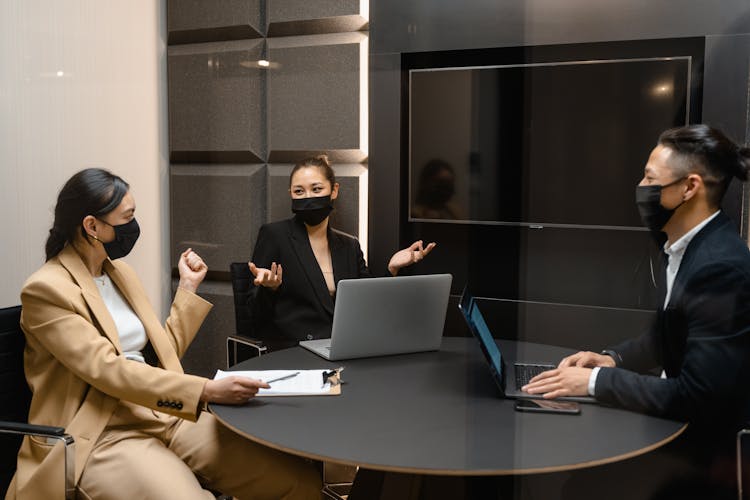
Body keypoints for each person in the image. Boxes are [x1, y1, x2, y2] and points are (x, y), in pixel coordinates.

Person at [7, 168, 321, 500]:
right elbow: (109, 370)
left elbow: (158, 357)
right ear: (91, 226)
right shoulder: (46, 290)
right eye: (127, 217)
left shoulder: (119, 273)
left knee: (296, 482)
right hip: (102, 431)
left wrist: (187, 289)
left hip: (161, 412)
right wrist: (206, 390)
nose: (133, 226)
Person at [522, 124, 750, 497]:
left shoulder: (720, 267)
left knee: (582, 488)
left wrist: (594, 383)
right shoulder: (682, 247)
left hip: (707, 459)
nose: (641, 187)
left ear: (690, 187)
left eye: (650, 178)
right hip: (685, 436)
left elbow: (699, 395)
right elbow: (670, 334)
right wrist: (613, 359)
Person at [248, 154, 436, 345]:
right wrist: (269, 289)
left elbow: (367, 302)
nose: (308, 197)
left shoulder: (349, 245)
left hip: (345, 347)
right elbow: (253, 316)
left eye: (317, 189)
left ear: (334, 190)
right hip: (294, 350)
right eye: (299, 191)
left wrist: (392, 268)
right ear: (290, 194)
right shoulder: (274, 235)